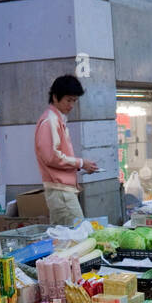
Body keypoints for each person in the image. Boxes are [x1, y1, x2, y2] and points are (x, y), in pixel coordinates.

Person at [35, 74, 99, 226]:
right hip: (61, 191)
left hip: (61, 190)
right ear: (56, 97)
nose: (71, 105)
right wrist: (81, 163)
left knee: (64, 239)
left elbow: (55, 159)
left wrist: (81, 167)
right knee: (77, 235)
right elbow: (52, 157)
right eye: (68, 100)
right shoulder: (50, 120)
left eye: (74, 101)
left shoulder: (56, 119)